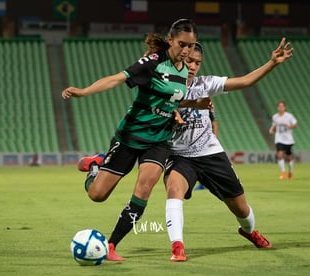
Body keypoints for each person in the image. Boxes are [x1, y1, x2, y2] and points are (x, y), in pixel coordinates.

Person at [62, 19, 208, 261]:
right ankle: (96, 165)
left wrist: (193, 103)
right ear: (170, 39)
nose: (186, 51)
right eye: (182, 44)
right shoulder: (152, 63)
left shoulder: (184, 70)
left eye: (191, 46)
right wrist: (84, 91)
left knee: (144, 189)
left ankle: (111, 245)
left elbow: (172, 98)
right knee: (97, 195)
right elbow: (117, 78)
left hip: (159, 140)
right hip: (131, 135)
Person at [165, 39, 294, 262]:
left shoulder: (206, 83)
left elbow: (244, 81)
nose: (193, 66)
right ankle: (177, 246)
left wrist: (271, 63)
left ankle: (249, 231)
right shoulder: (163, 85)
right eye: (189, 60)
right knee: (174, 190)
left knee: (241, 210)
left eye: (198, 62)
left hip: (211, 153)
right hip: (180, 155)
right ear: (179, 58)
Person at [269, 100, 297, 180]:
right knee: (280, 154)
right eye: (279, 106)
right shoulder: (275, 117)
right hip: (279, 139)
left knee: (288, 156)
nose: (281, 108)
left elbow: (295, 124)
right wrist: (271, 130)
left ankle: (290, 171)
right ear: (277, 107)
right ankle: (283, 172)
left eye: (282, 106)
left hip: (288, 139)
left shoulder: (289, 116)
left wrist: (290, 127)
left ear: (284, 107)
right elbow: (274, 125)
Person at [194, 103, 217, 190]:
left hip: (206, 138)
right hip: (195, 139)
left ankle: (209, 183)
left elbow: (214, 123)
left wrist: (214, 136)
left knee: (208, 162)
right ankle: (202, 183)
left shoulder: (207, 108)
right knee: (198, 161)